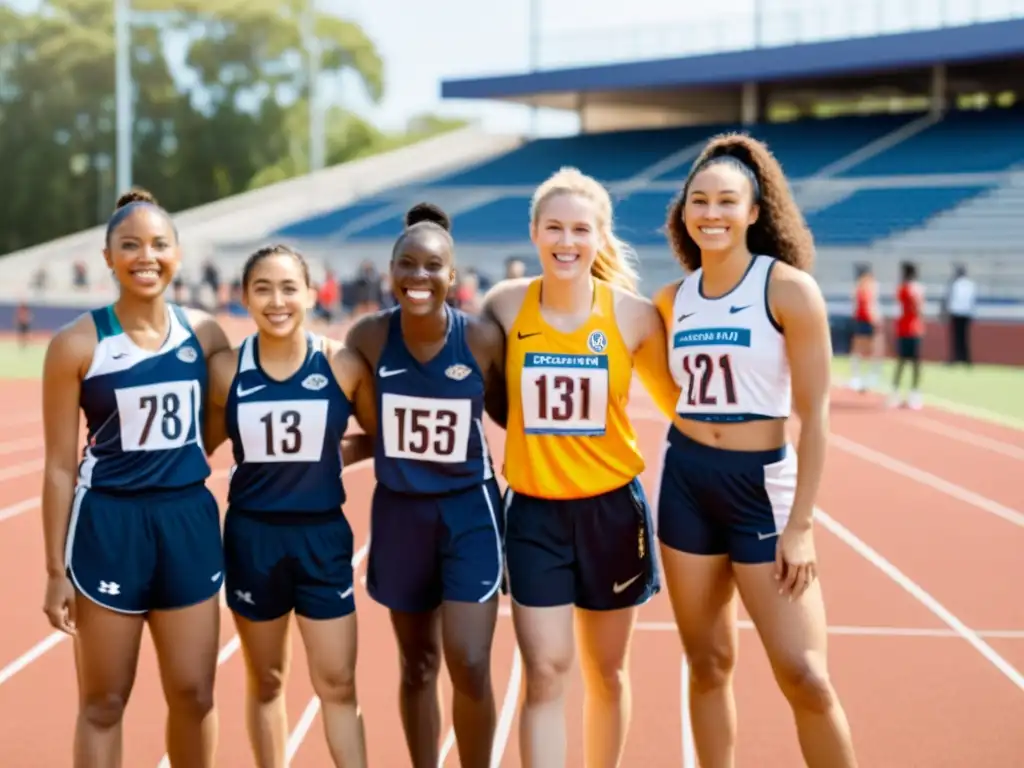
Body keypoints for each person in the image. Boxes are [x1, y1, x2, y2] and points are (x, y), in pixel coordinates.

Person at [653, 134, 858, 768]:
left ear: (754, 211)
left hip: (761, 489)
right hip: (687, 482)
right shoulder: (673, 299)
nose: (711, 213)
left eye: (726, 202)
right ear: (683, 212)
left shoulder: (789, 290)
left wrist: (801, 525)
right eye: (699, 201)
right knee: (708, 662)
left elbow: (816, 414)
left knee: (805, 674)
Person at [481, 167, 679, 767]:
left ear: (599, 237)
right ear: (536, 233)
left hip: (612, 513)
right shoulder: (506, 307)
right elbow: (490, 395)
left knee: (607, 671)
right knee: (544, 671)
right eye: (555, 228)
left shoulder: (634, 317)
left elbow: (683, 409)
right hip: (535, 515)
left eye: (580, 230)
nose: (567, 241)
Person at [40, 189, 231, 767]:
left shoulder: (205, 335)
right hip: (110, 527)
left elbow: (221, 420)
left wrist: (184, 460)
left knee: (195, 695)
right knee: (103, 702)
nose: (145, 256)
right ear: (107, 257)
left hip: (186, 524)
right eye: (130, 245)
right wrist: (54, 572)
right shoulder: (77, 343)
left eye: (158, 244)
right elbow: (57, 464)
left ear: (177, 253)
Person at [345, 203, 507, 768]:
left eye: (432, 266)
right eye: (407, 265)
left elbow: (512, 417)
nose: (419, 277)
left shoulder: (482, 340)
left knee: (468, 659)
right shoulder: (367, 337)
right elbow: (364, 424)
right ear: (391, 270)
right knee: (417, 664)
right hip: (400, 516)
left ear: (453, 276)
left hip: (469, 514)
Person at [203, 244, 376, 768]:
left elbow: (380, 436)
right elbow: (198, 450)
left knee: (339, 682)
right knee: (268, 679)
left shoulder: (342, 364)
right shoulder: (226, 371)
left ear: (309, 293)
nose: (276, 301)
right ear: (244, 297)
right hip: (253, 538)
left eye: (287, 288)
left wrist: (334, 455)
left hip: (322, 539)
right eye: (262, 288)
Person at [887, 260, 926, 410]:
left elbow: (912, 307)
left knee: (904, 362)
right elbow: (919, 309)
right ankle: (911, 393)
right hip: (913, 328)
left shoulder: (905, 288)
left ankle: (901, 393)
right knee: (912, 363)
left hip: (907, 328)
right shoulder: (914, 289)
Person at [847, 263, 883, 392]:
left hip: (865, 319)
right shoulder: (866, 286)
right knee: (863, 349)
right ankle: (862, 377)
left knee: (866, 349)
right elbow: (867, 305)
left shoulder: (865, 286)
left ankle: (867, 376)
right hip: (865, 319)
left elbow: (869, 304)